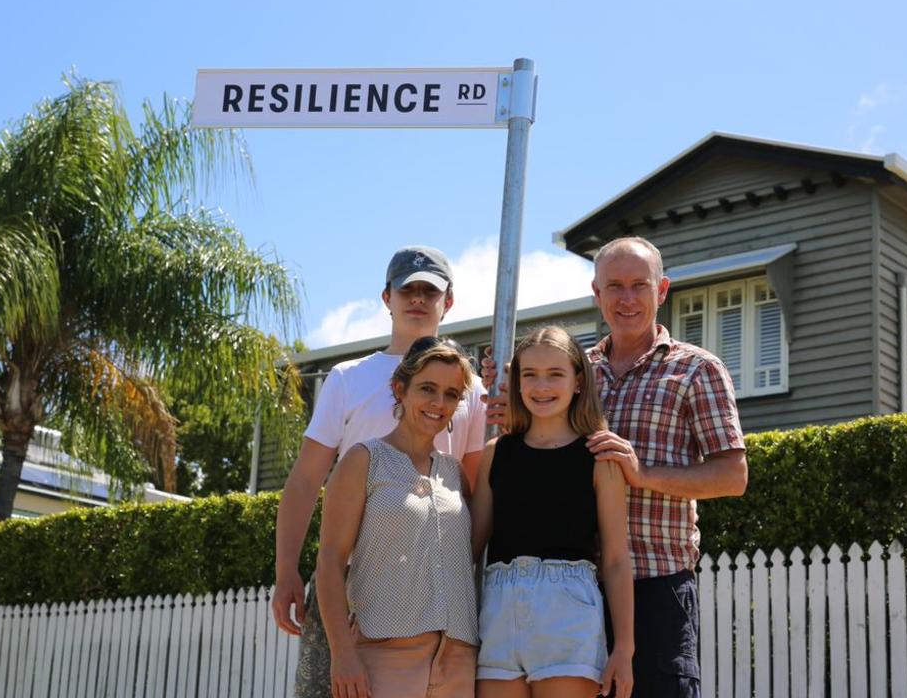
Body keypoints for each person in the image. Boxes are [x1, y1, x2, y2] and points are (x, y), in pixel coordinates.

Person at [485, 237, 747, 698]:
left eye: (638, 286)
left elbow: (732, 476)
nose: (627, 299)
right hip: (571, 590)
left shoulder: (696, 369)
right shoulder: (573, 369)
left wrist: (641, 473)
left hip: (655, 584)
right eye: (615, 286)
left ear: (661, 290)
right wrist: (511, 397)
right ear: (596, 293)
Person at [273, 246, 487, 698]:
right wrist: (285, 568)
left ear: (447, 303)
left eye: (430, 291)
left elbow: (475, 491)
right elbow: (306, 480)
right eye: (407, 289)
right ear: (386, 297)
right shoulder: (347, 378)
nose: (418, 299)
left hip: (430, 596)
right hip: (347, 578)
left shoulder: (470, 390)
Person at [471, 327, 635, 698]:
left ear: (578, 382)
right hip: (498, 614)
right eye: (529, 375)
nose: (541, 386)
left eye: (555, 374)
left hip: (568, 614)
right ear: (517, 383)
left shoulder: (599, 457)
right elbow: (469, 549)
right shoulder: (497, 453)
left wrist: (624, 647)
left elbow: (614, 560)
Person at [317, 337, 480, 698]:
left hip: (459, 664)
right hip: (383, 658)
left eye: (451, 394)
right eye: (427, 389)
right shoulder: (363, 461)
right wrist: (343, 654)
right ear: (399, 388)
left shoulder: (456, 475)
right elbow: (329, 562)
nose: (439, 403)